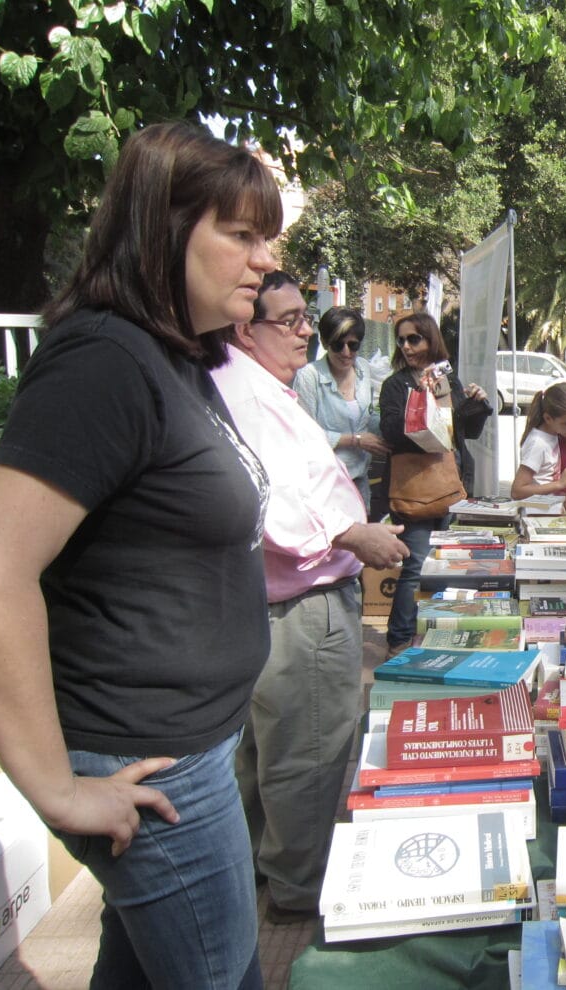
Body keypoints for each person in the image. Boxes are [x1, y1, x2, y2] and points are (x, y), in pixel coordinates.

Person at [0, 121, 278, 988]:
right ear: (163, 228)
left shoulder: (174, 359)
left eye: (268, 238)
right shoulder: (104, 361)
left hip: (191, 747)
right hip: (150, 763)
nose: (264, 259)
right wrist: (57, 791)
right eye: (242, 235)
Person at [211, 271, 409, 923]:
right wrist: (355, 534)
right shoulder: (243, 390)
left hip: (286, 598)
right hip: (302, 603)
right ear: (246, 328)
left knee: (272, 752)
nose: (307, 332)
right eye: (292, 320)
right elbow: (263, 497)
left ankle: (268, 873)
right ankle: (299, 888)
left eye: (307, 318)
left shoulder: (262, 385)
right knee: (308, 751)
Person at [379, 313, 492, 654]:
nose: (407, 346)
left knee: (447, 564)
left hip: (450, 483)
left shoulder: (446, 380)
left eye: (414, 339)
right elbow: (391, 431)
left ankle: (432, 634)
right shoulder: (396, 385)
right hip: (414, 487)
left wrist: (478, 403)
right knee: (415, 565)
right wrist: (420, 400)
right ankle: (399, 639)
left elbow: (464, 433)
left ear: (431, 340)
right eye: (401, 340)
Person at [291, 306, 389, 513]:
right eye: (338, 345)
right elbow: (304, 436)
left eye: (353, 345)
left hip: (359, 479)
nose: (346, 352)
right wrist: (355, 440)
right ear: (326, 343)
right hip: (325, 484)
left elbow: (366, 418)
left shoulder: (362, 368)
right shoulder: (310, 376)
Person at [511, 382, 566, 499]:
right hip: (535, 514)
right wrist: (559, 484)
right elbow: (517, 491)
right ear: (548, 418)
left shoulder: (553, 434)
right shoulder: (538, 443)